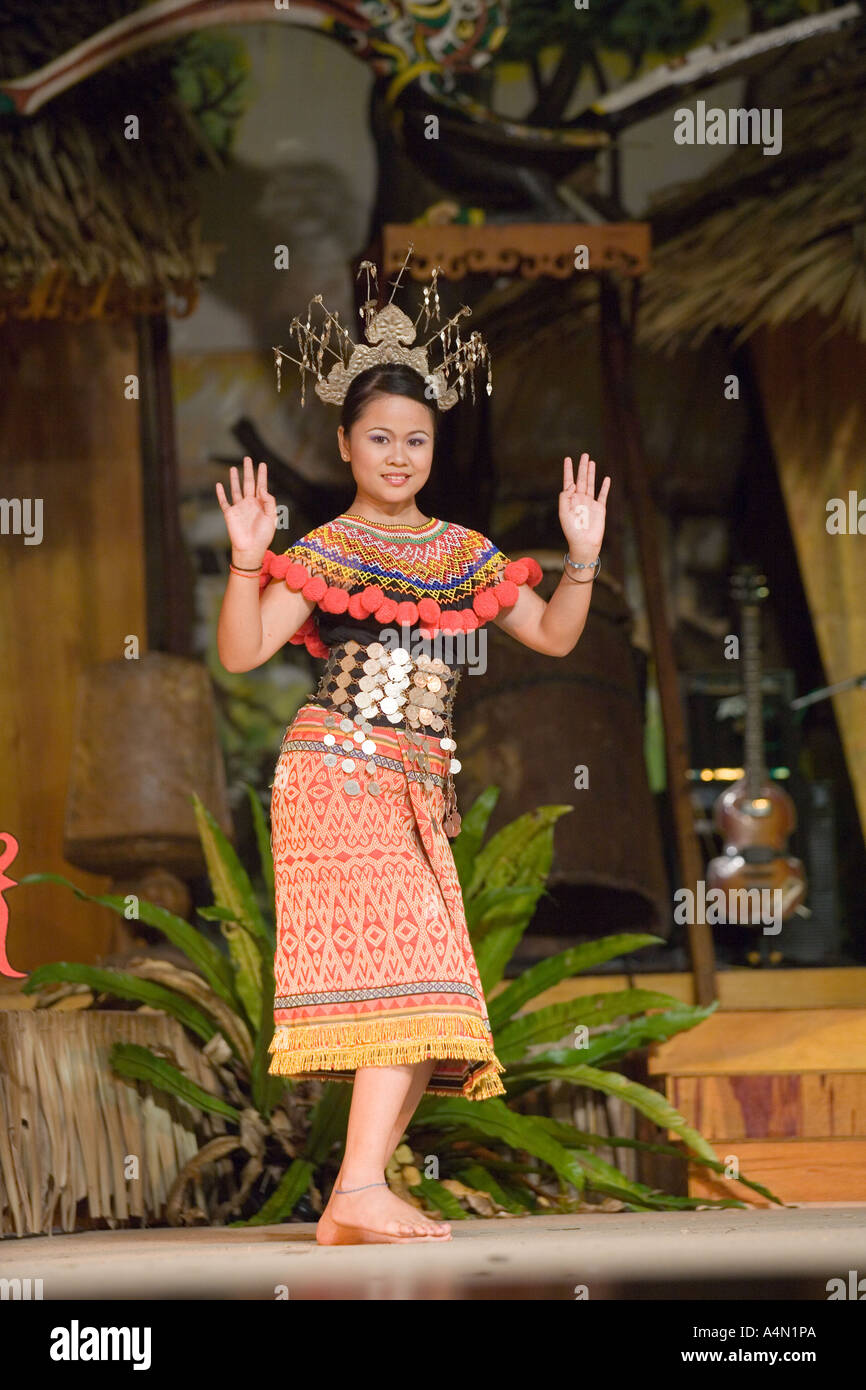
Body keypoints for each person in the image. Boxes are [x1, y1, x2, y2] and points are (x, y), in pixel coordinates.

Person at [215, 268, 609, 1246]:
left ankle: (359, 1190)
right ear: (346, 445)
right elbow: (241, 649)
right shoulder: (326, 549)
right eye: (379, 437)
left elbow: (554, 635)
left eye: (415, 439)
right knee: (417, 974)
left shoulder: (462, 552)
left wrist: (582, 555)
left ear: (433, 449)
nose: (397, 454)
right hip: (334, 770)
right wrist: (243, 556)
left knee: (430, 989)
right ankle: (356, 1190)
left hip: (414, 784)